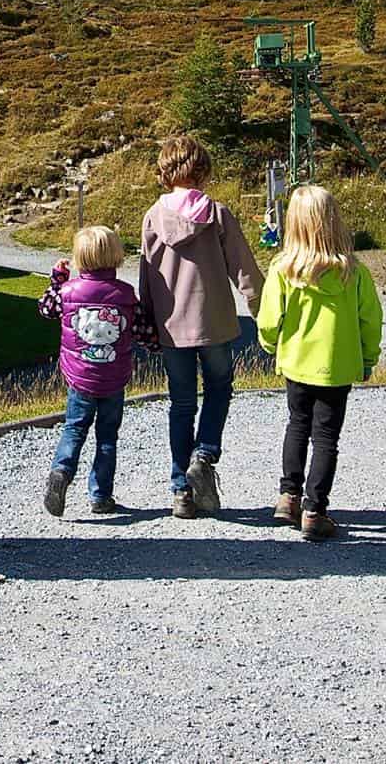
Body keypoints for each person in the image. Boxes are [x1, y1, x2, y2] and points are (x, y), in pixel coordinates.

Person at [138, 136, 262, 519]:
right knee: (220, 388)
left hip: (173, 327)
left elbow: (147, 275)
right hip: (216, 324)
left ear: (164, 173)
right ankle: (204, 455)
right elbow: (243, 268)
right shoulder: (218, 214)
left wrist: (147, 322)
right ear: (203, 170)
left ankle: (181, 490)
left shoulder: (153, 218)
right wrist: (261, 309)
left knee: (181, 403)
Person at [258, 184, 384, 542]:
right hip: (337, 366)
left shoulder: (283, 269)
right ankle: (315, 510)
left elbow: (269, 320)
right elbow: (370, 320)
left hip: (297, 363)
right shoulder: (353, 273)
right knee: (326, 437)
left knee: (297, 424)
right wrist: (367, 357)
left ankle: (288, 495)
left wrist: (271, 345)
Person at [36, 225, 159, 516]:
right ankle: (100, 496)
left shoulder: (68, 292)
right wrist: (158, 345)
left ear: (80, 258)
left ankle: (61, 473)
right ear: (116, 256)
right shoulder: (126, 294)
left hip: (79, 379)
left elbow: (45, 309)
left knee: (74, 428)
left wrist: (57, 280)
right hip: (114, 380)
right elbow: (142, 331)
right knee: (107, 437)